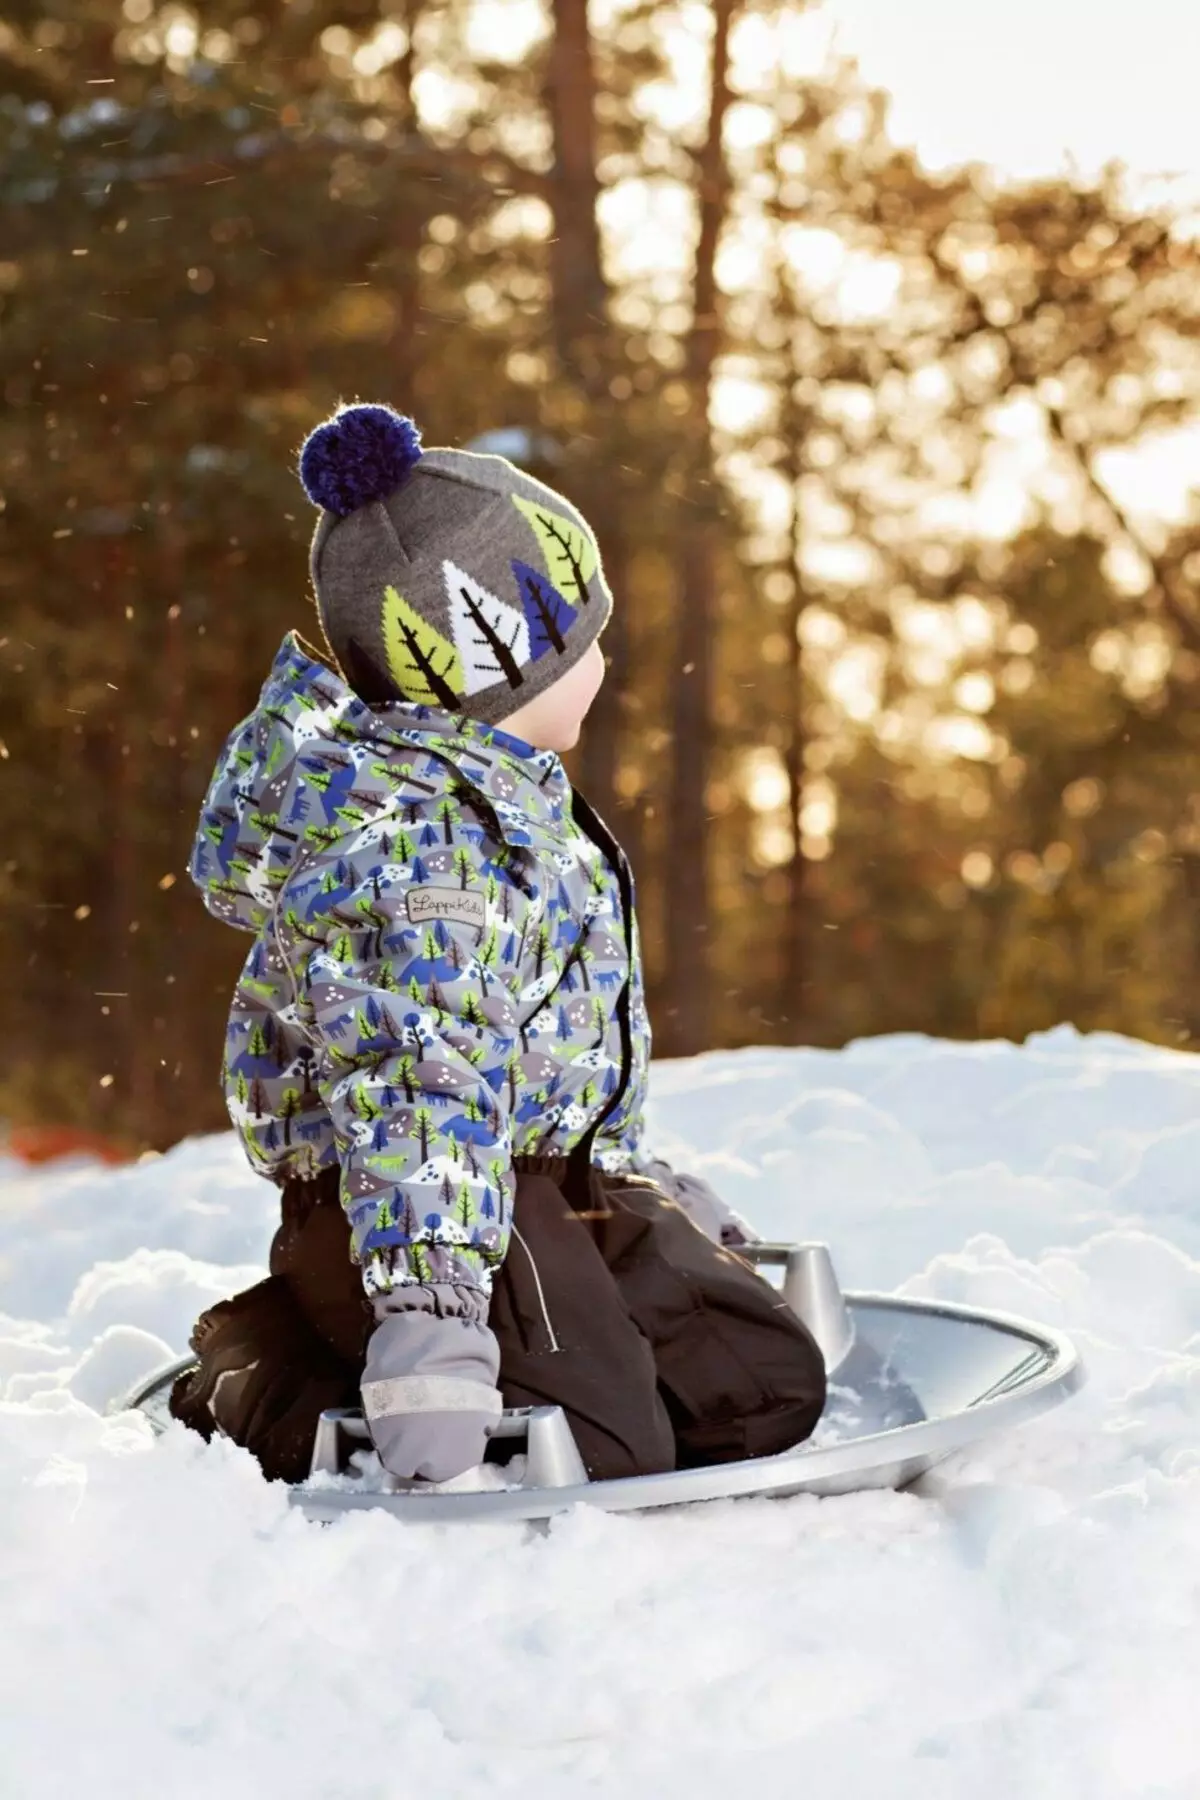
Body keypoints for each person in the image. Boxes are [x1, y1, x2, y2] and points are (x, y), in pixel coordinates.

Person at [171, 404, 826, 1486]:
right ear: (496, 664)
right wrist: (432, 1324)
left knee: (761, 1393)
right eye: (584, 639)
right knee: (607, 1452)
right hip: (407, 1214)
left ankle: (571, 1293)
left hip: (535, 1184)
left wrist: (626, 1176)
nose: (605, 661)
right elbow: (417, 1087)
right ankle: (260, 1372)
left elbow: (535, 1035)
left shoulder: (513, 802)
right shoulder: (416, 851)